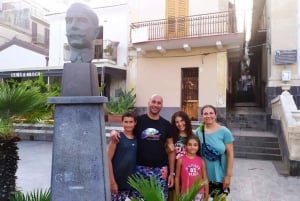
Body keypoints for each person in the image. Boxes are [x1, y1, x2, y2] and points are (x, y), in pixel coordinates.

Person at [110, 94, 176, 200]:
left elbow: (171, 150)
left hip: (160, 171)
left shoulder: (166, 124)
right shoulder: (139, 121)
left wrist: (172, 173)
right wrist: (114, 132)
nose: (156, 105)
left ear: (162, 105)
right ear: (149, 103)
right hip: (140, 170)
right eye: (153, 102)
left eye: (159, 103)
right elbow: (127, 130)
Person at [195, 105, 234, 199]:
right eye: (205, 113)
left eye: (211, 113)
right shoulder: (198, 132)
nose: (208, 116)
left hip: (220, 176)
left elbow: (230, 154)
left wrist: (228, 176)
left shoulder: (224, 131)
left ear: (215, 115)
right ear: (202, 116)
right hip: (202, 176)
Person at [107, 112, 137, 201]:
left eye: (131, 122)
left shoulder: (137, 138)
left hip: (132, 185)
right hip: (118, 184)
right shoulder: (117, 137)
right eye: (126, 122)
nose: (128, 124)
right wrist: (112, 182)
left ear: (135, 123)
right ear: (122, 122)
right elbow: (107, 159)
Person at [168, 111, 194, 201]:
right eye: (177, 122)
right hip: (174, 172)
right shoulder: (171, 136)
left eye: (182, 120)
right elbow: (168, 152)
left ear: (186, 120)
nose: (180, 124)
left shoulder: (193, 136)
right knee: (173, 197)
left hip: (188, 172)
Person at [175, 135, 209, 201]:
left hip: (199, 193)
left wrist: (206, 194)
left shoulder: (201, 161)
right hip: (185, 193)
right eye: (190, 145)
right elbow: (177, 178)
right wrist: (177, 194)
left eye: (195, 145)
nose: (192, 147)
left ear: (198, 147)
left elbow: (205, 179)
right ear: (185, 146)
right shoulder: (180, 160)